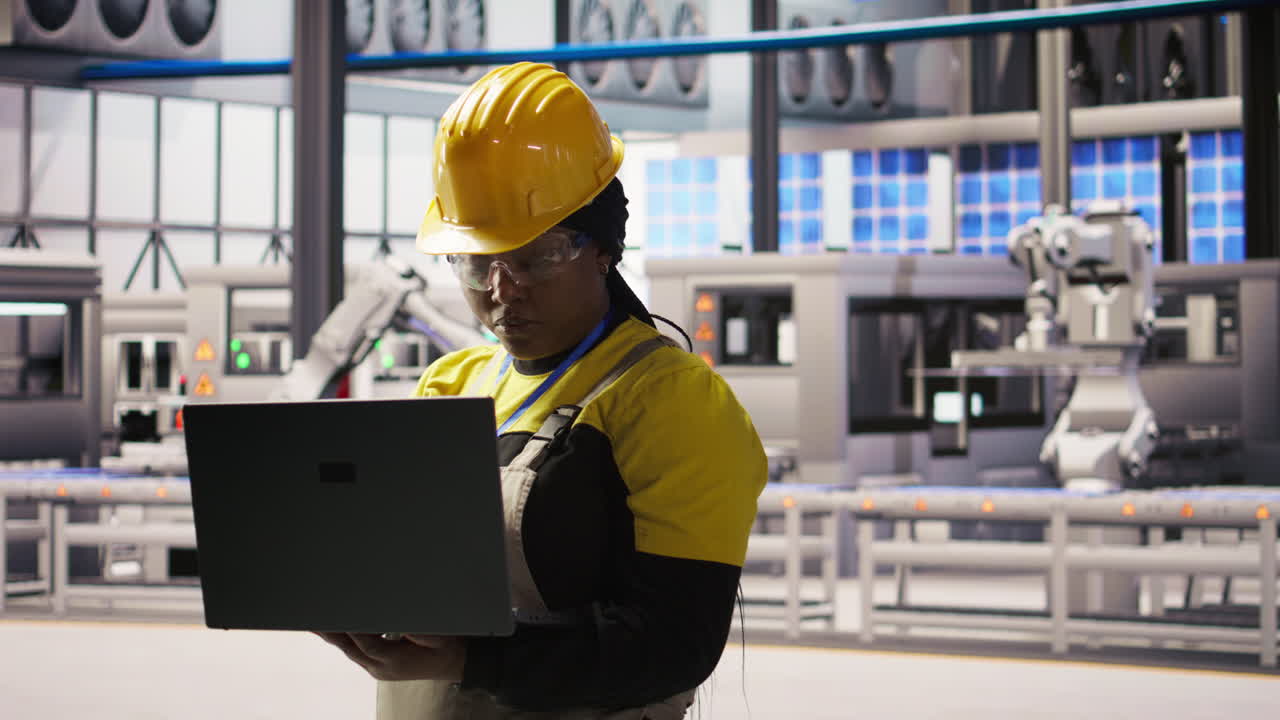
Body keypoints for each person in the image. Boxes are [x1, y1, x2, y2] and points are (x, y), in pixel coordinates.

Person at [318, 61, 767, 720]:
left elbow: (673, 645)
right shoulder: (451, 385)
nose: (503, 290)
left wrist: (470, 659)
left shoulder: (671, 404)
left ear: (603, 247)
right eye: (477, 263)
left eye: (535, 258)